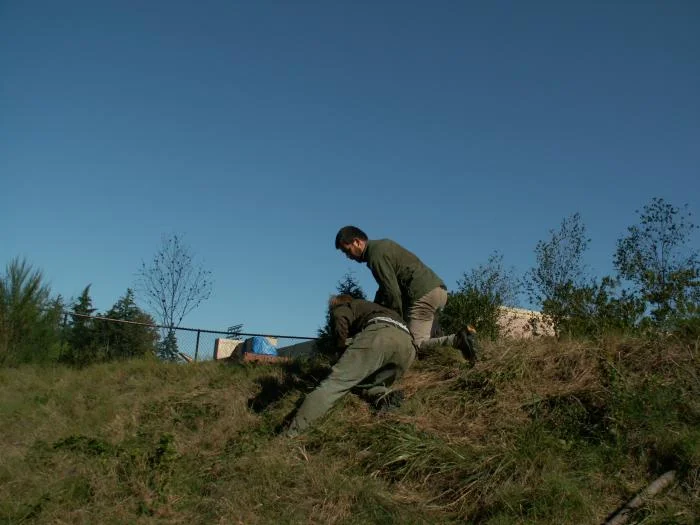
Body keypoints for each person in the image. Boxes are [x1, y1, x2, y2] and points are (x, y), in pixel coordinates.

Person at [334, 225, 477, 362]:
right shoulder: (382, 246)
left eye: (347, 251)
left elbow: (392, 291)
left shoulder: (375, 255)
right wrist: (375, 305)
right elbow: (384, 288)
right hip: (438, 290)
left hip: (422, 296)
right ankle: (463, 359)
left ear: (357, 242)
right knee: (432, 339)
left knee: (414, 346)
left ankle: (458, 339)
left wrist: (396, 318)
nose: (348, 256)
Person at [286, 295, 415, 437]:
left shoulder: (345, 306)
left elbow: (340, 320)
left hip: (380, 335)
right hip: (408, 347)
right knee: (365, 382)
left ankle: (292, 435)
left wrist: (339, 348)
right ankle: (383, 397)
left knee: (334, 384)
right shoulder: (375, 309)